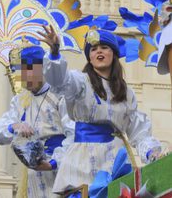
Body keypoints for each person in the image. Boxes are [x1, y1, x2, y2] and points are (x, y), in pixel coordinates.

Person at [39, 25, 162, 194]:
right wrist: (54, 52)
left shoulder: (126, 92)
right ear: (89, 57)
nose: (99, 52)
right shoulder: (80, 82)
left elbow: (138, 130)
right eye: (94, 49)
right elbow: (59, 80)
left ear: (114, 54)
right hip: (82, 161)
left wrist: (151, 152)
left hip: (115, 160)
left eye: (104, 47)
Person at [0, 44, 75, 198]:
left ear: (43, 70)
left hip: (60, 171)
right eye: (22, 71)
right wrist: (13, 126)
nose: (26, 76)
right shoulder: (20, 100)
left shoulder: (59, 95)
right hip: (32, 177)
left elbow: (74, 136)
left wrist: (52, 163)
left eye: (31, 70)